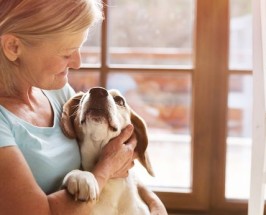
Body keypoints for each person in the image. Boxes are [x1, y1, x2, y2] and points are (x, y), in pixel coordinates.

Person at [0, 0, 167, 214]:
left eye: (79, 48)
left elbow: (121, 168)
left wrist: (154, 203)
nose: (77, 63)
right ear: (14, 47)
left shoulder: (56, 92)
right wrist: (105, 169)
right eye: (66, 53)